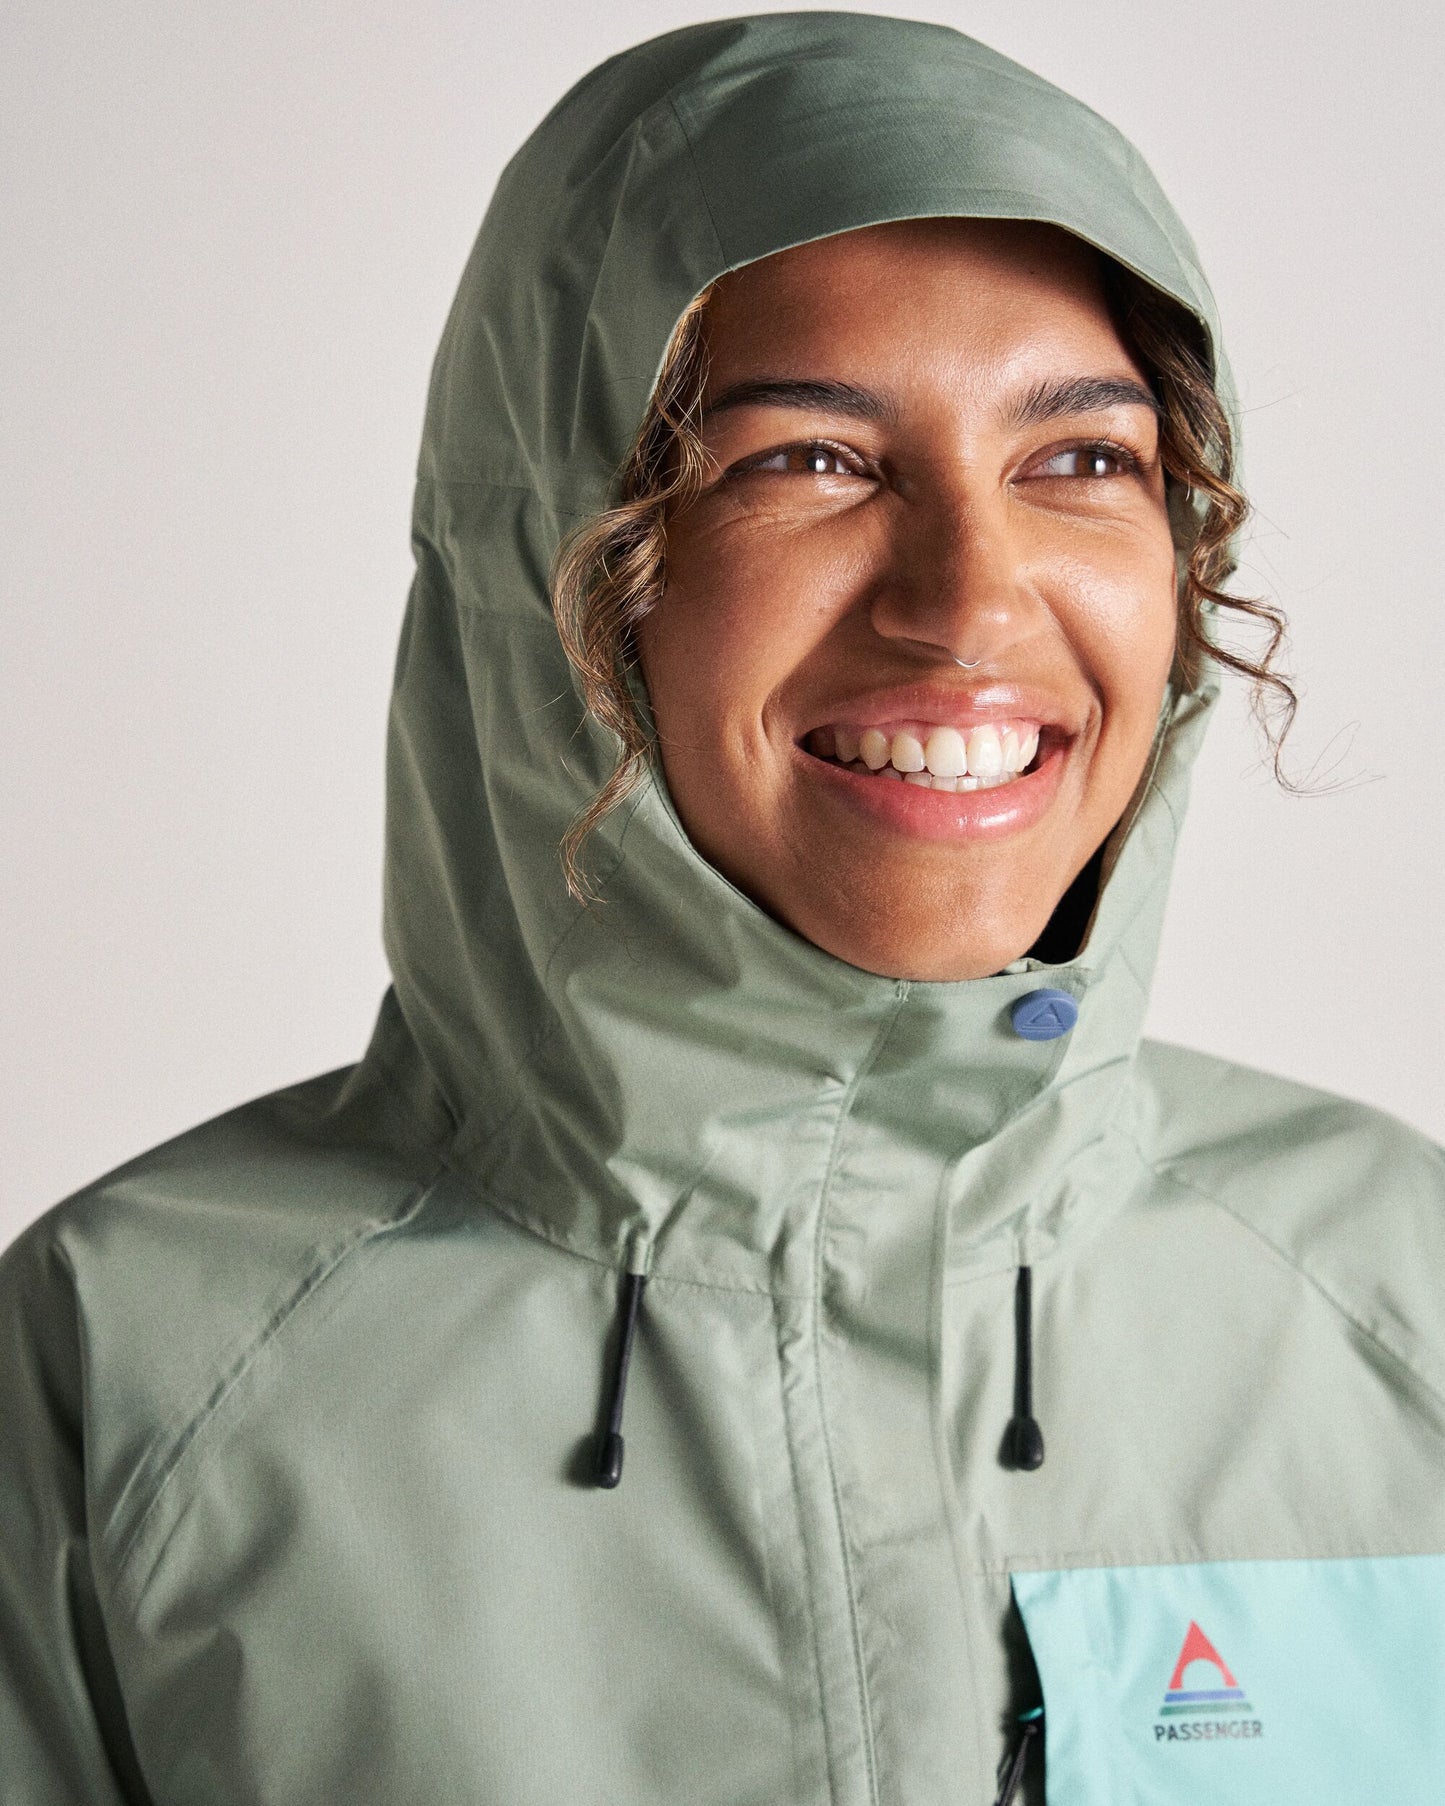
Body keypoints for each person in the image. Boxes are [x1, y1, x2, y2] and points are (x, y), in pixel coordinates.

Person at [2, 13, 1442, 1804]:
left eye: (1081, 459)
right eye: (805, 460)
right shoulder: (128, 1368)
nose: (967, 605)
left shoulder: (1402, 1291)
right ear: (548, 566)